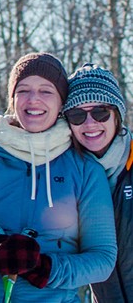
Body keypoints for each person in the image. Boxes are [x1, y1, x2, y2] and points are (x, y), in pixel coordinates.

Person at [0, 52, 117, 302]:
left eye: (46, 91)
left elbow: (102, 258)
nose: (33, 99)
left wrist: (46, 268)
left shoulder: (85, 170)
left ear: (61, 103)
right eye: (23, 90)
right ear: (12, 99)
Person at [63, 63, 133, 301]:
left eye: (100, 112)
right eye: (77, 115)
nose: (90, 123)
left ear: (117, 115)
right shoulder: (68, 176)